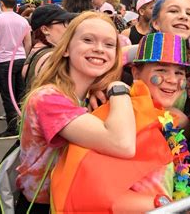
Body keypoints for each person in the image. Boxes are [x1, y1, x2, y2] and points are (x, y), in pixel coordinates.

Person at [50, 32, 190, 213]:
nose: (173, 80)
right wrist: (161, 204)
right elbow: (88, 190)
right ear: (136, 73)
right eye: (161, 70)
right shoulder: (116, 114)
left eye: (179, 73)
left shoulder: (172, 120)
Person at [15, 11, 135, 213]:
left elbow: (132, 51)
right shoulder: (48, 98)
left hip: (76, 202)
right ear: (66, 49)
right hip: (45, 207)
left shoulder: (88, 94)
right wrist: (118, 88)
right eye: (88, 40)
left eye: (108, 44)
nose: (99, 49)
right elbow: (122, 144)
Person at [0, 0, 31, 139]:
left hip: (4, 61)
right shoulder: (23, 20)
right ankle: (23, 124)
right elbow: (28, 42)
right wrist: (24, 57)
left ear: (1, 3)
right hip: (20, 59)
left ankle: (13, 128)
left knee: (7, 95)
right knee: (21, 93)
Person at [21, 4, 76, 88]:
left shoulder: (37, 51)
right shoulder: (52, 58)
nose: (69, 27)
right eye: (64, 22)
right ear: (45, 29)